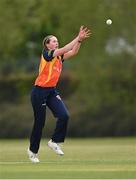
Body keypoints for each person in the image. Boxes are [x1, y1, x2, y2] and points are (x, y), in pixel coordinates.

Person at [27, 26, 91, 163]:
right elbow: (66, 48)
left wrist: (79, 42)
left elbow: (73, 52)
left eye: (57, 41)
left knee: (64, 115)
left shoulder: (58, 57)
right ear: (47, 44)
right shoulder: (47, 54)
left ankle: (54, 142)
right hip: (39, 91)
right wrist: (77, 38)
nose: (56, 43)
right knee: (40, 123)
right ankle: (33, 152)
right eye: (53, 41)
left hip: (51, 91)